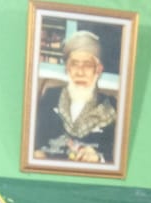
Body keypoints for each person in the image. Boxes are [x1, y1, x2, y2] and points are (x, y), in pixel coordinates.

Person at [32, 29, 118, 165]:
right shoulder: (50, 97)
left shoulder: (110, 107)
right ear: (67, 68)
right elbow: (35, 141)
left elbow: (115, 157)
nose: (80, 72)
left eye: (87, 65)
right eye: (74, 64)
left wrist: (98, 158)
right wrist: (37, 155)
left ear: (98, 69)